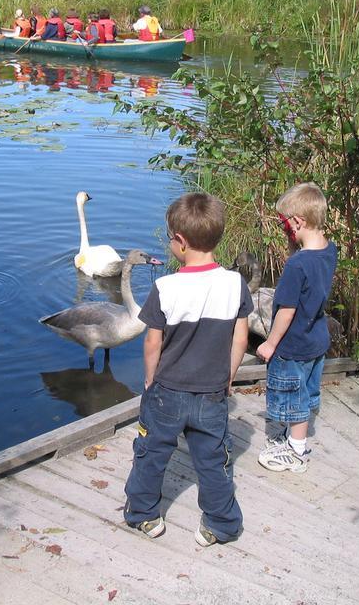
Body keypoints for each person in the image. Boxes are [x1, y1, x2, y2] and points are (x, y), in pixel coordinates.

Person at [123, 193, 251, 547]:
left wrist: (150, 378)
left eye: (170, 237)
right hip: (212, 392)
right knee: (214, 461)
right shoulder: (234, 283)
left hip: (167, 392)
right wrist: (228, 375)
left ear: (180, 242)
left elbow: (152, 343)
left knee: (151, 455)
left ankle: (143, 514)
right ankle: (221, 525)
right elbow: (240, 337)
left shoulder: (165, 287)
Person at [255, 183, 338, 473]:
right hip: (316, 338)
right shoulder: (329, 250)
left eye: (284, 223)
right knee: (306, 390)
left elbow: (287, 310)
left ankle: (295, 451)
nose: (283, 228)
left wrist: (270, 343)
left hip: (293, 345)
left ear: (298, 222)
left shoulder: (296, 266)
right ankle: (294, 438)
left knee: (293, 397)